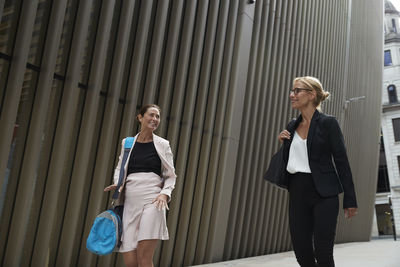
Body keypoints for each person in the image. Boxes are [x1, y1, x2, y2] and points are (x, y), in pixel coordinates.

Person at [277, 76, 358, 267]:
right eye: (292, 91)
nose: (292, 95)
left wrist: (350, 198)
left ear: (312, 94)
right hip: (297, 193)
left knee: (323, 252)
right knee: (302, 253)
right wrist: (284, 144)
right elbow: (292, 161)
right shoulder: (292, 126)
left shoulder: (328, 123)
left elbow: (342, 162)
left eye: (297, 90)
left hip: (325, 194)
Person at [104, 104, 176, 267]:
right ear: (140, 117)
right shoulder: (127, 143)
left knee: (144, 257)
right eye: (151, 115)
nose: (155, 119)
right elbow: (120, 167)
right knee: (130, 260)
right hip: (130, 203)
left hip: (154, 201)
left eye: (157, 116)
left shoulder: (163, 144)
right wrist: (118, 184)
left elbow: (171, 175)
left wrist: (165, 193)